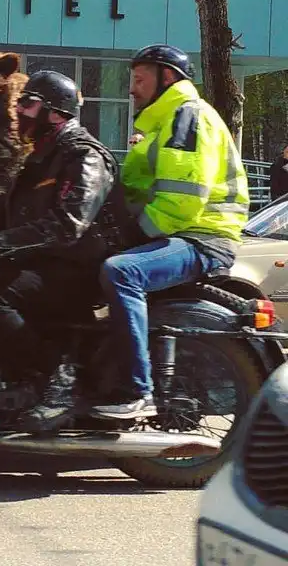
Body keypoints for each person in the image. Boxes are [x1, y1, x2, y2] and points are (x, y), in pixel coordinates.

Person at [0, 70, 128, 431]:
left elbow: (68, 224)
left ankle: (59, 382)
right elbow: (2, 212)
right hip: (45, 262)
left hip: (77, 271)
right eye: (19, 103)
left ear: (56, 112)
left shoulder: (83, 156)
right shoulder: (42, 157)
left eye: (28, 104)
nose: (19, 111)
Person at [90, 44, 250, 421]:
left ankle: (138, 390)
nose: (132, 88)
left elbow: (182, 198)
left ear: (167, 78)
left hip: (201, 238)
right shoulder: (162, 124)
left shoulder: (187, 117)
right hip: (180, 233)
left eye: (140, 79)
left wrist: (132, 237)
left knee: (121, 271)